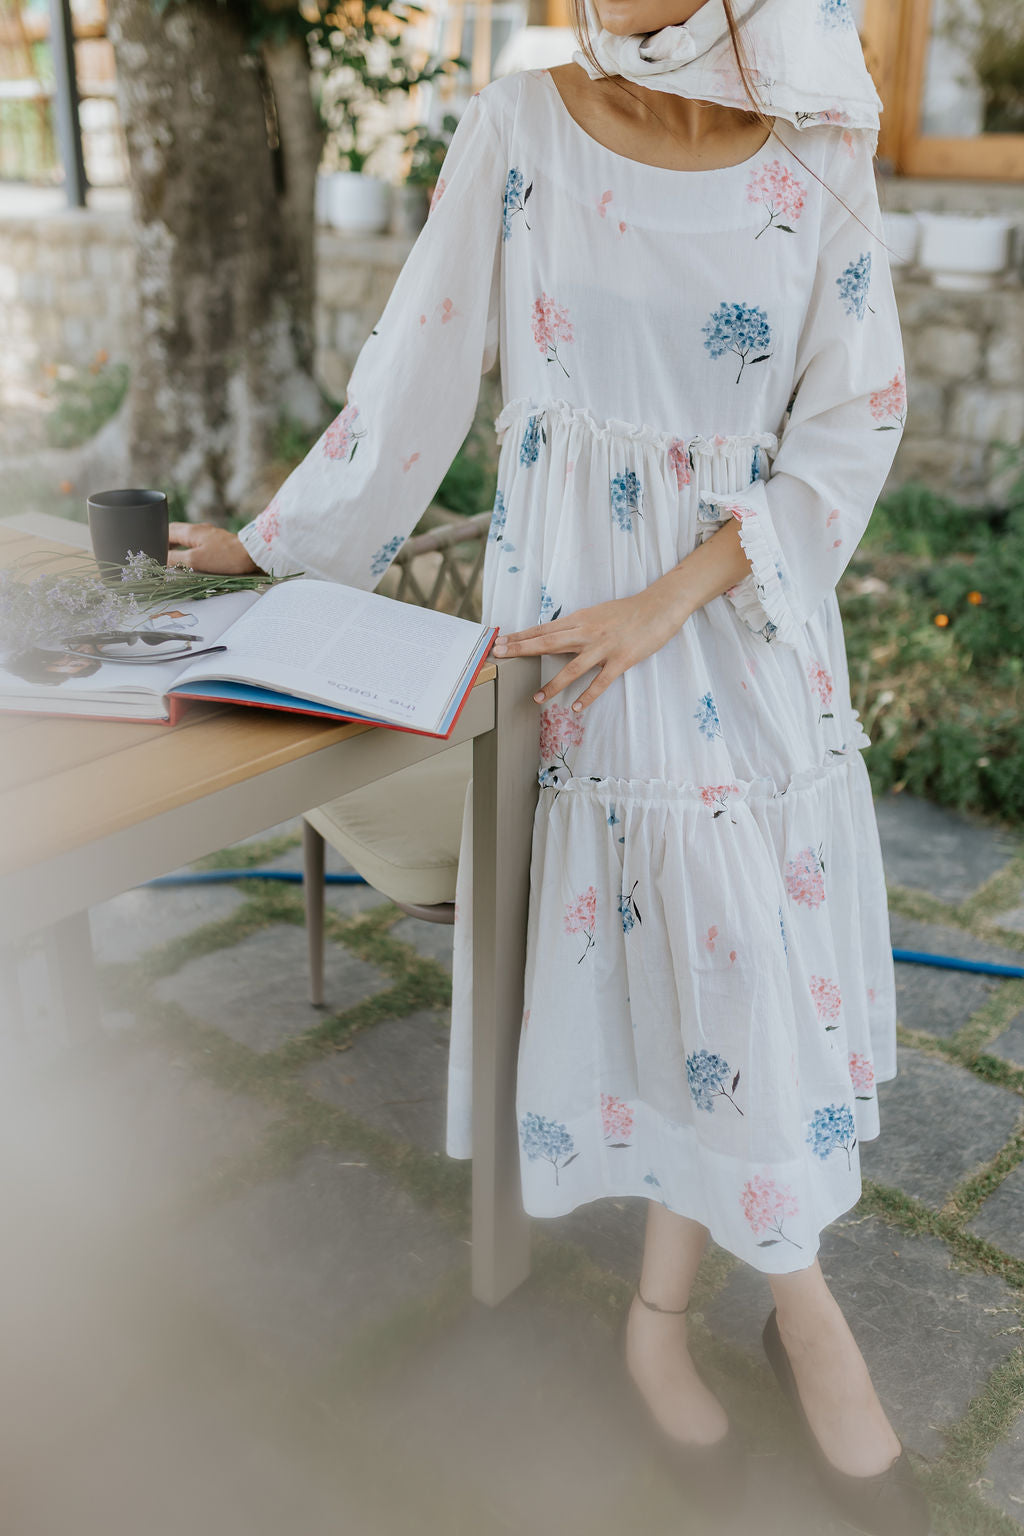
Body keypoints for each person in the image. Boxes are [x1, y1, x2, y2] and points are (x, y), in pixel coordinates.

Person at [168, 2, 929, 1528]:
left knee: (739, 974)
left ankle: (723, 1310)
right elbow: (422, 366)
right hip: (570, 647)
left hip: (737, 639)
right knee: (695, 975)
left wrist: (666, 603)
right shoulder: (521, 127)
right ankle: (771, 1312)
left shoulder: (825, 154)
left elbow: (852, 427)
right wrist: (277, 549)